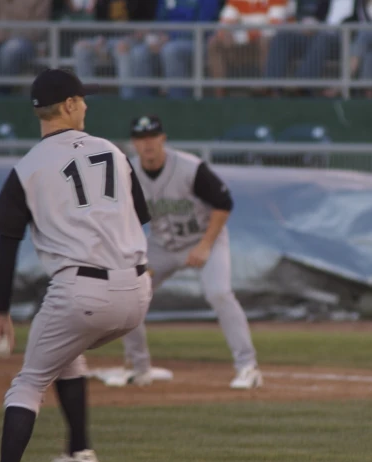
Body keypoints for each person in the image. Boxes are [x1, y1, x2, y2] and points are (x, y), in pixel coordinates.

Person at [0, 68, 153, 462]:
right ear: (69, 106)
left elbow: (6, 243)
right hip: (139, 293)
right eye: (83, 98)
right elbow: (140, 216)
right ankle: (80, 453)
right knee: (68, 352)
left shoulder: (27, 168)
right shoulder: (112, 151)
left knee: (28, 383)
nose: (87, 104)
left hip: (81, 292)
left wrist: (1, 310)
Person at [92, 115, 263, 390]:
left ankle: (248, 367)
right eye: (141, 138)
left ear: (163, 139)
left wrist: (205, 245)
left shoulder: (190, 168)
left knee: (219, 293)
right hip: (161, 245)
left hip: (205, 239)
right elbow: (122, 215)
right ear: (134, 143)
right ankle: (140, 369)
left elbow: (224, 203)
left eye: (153, 137)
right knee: (128, 293)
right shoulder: (128, 172)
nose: (147, 144)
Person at [124, 0, 221, 99]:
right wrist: (155, 38)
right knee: (138, 53)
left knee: (170, 51)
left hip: (197, 41)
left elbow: (203, 26)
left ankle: (178, 102)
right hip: (165, 40)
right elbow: (159, 21)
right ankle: (142, 103)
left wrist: (170, 37)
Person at [71, 0, 158, 100]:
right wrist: (100, 39)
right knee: (81, 48)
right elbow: (99, 24)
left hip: (133, 39)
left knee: (122, 49)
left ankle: (127, 100)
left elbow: (147, 24)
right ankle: (87, 100)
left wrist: (133, 37)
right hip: (107, 39)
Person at [207, 0, 288, 98]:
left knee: (266, 41)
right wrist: (227, 34)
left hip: (268, 46)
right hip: (242, 46)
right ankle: (220, 93)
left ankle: (270, 91)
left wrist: (243, 36)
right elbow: (223, 26)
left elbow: (272, 28)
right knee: (215, 43)